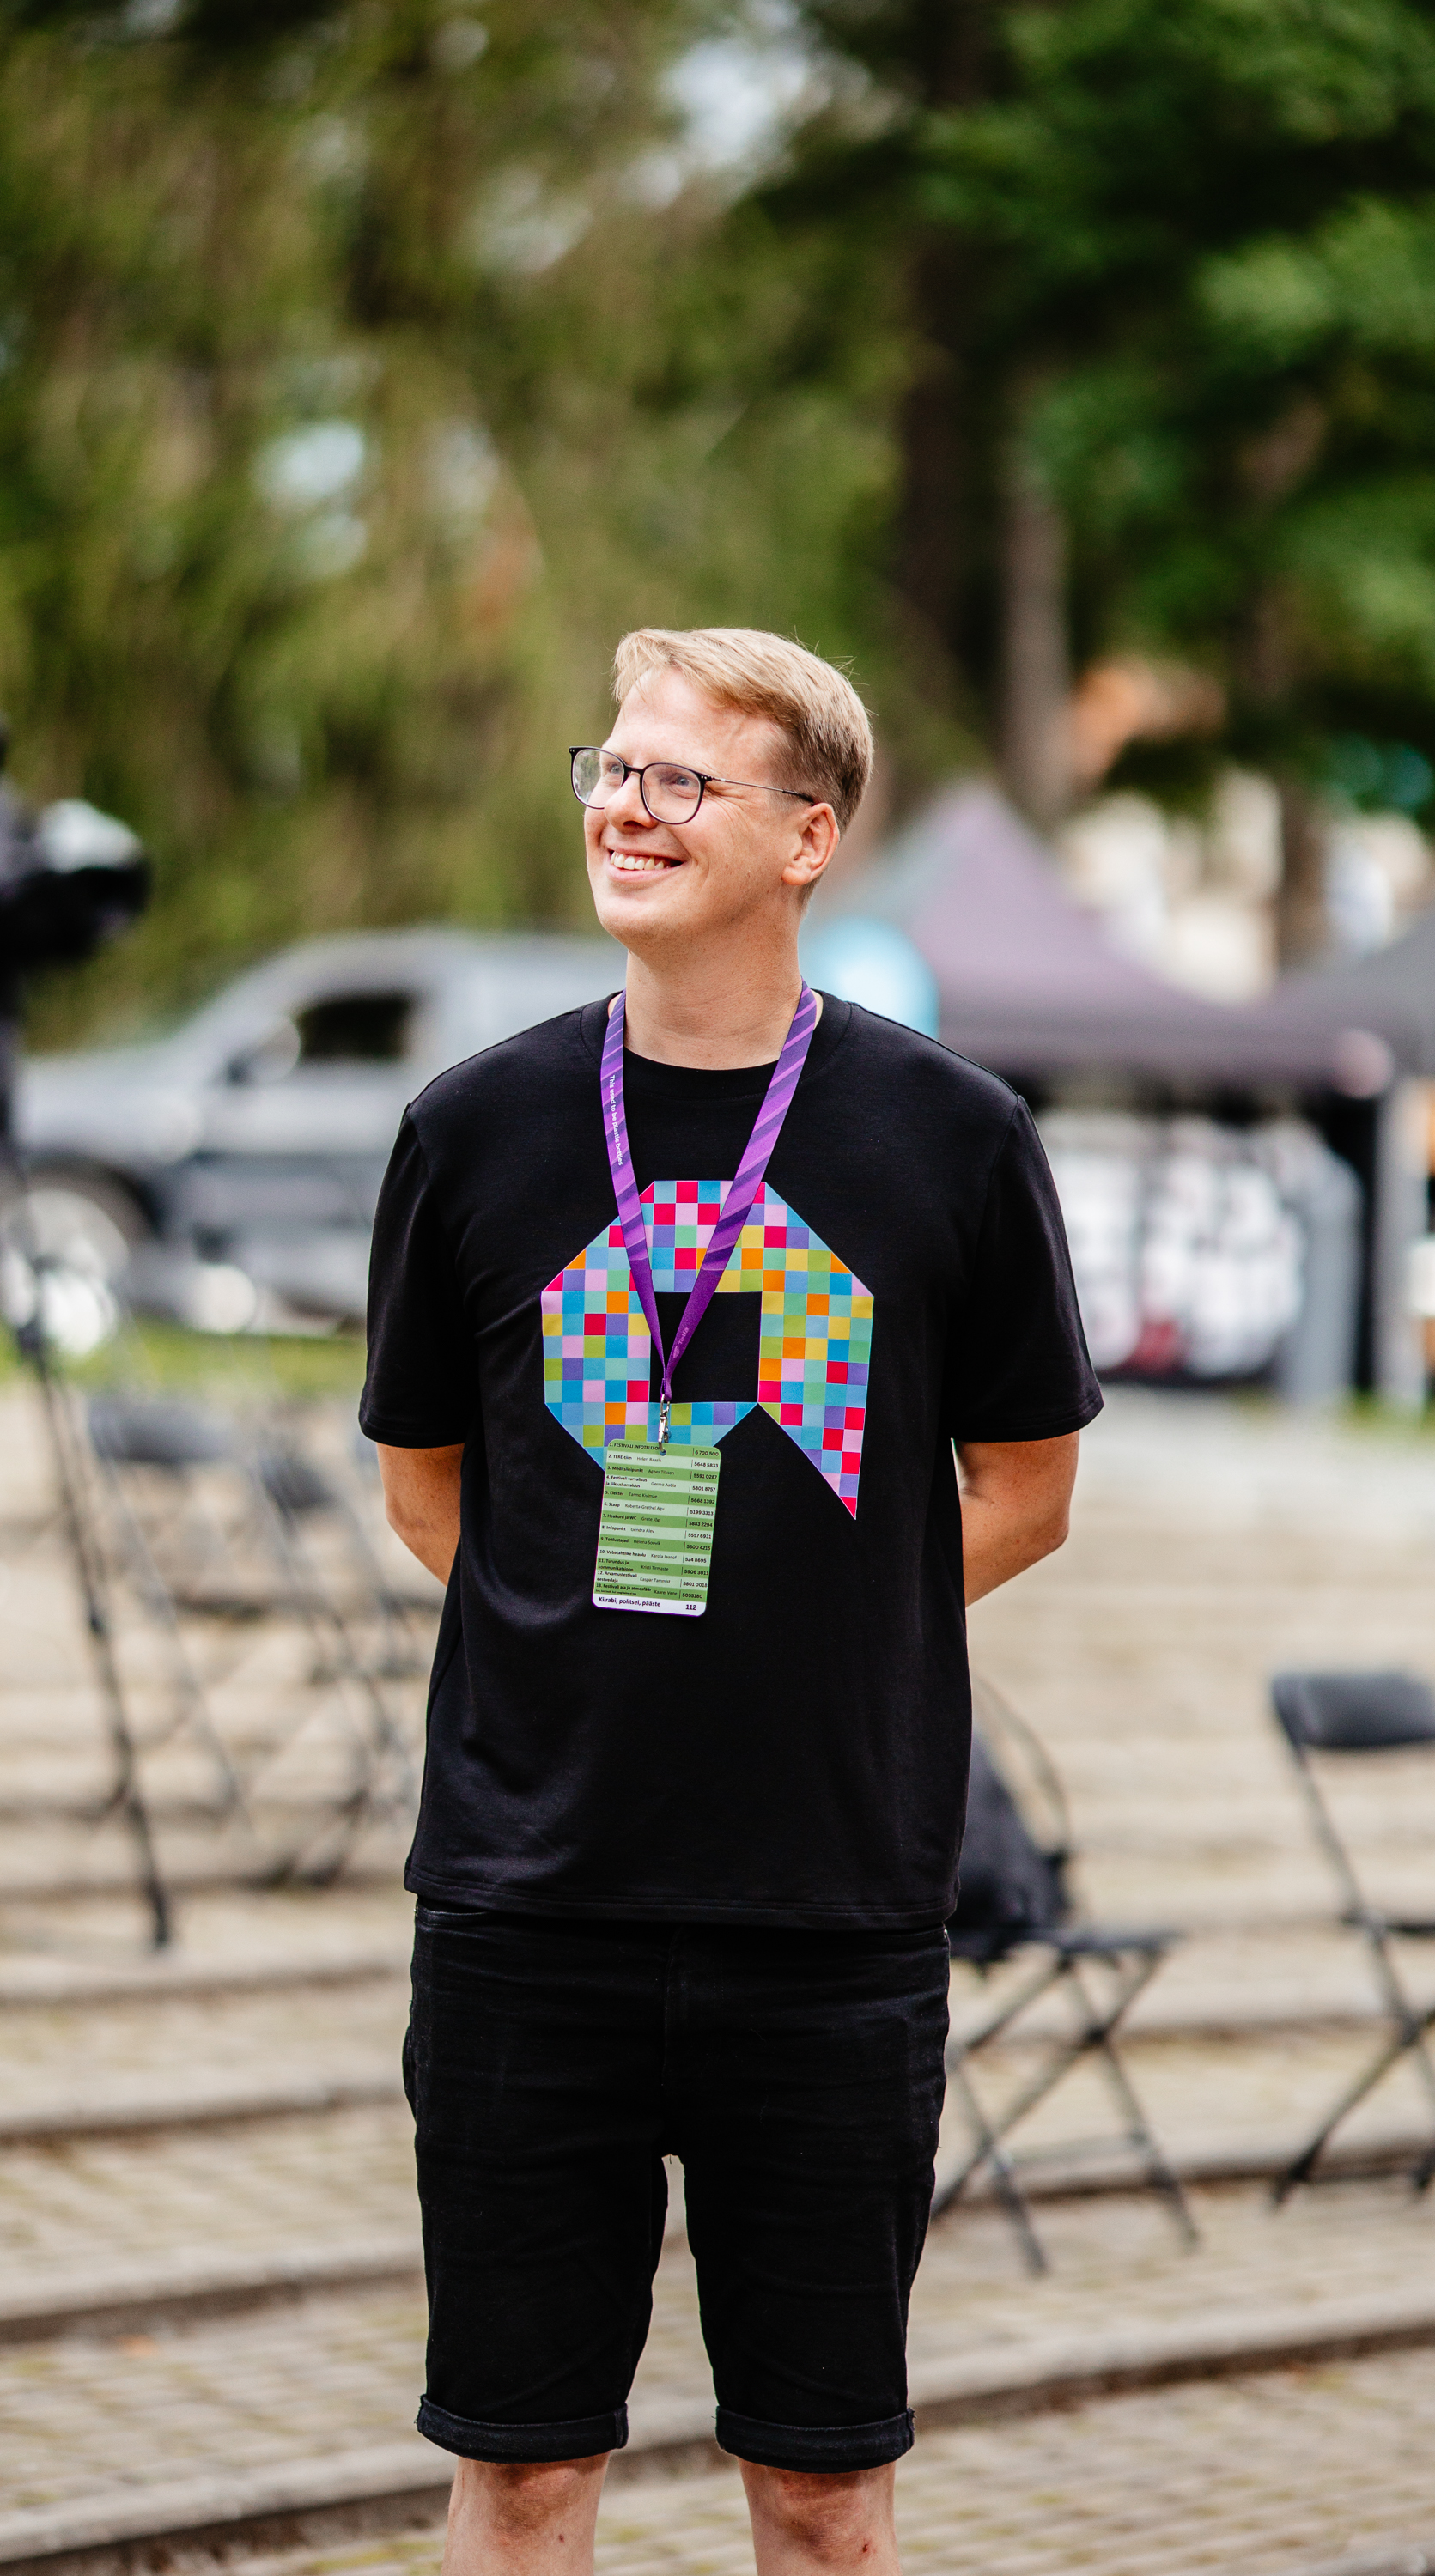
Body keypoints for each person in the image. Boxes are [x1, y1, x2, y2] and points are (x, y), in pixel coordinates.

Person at [361, 626, 1101, 2576]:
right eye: (607, 766)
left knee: (824, 2497)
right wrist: (595, 1626)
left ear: (808, 836)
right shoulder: (472, 1130)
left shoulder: (948, 1140)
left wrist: (822, 1613)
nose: (622, 804)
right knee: (519, 2475)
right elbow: (432, 1489)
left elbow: (1026, 1491)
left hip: (830, 1919)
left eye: (680, 778)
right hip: (533, 1906)